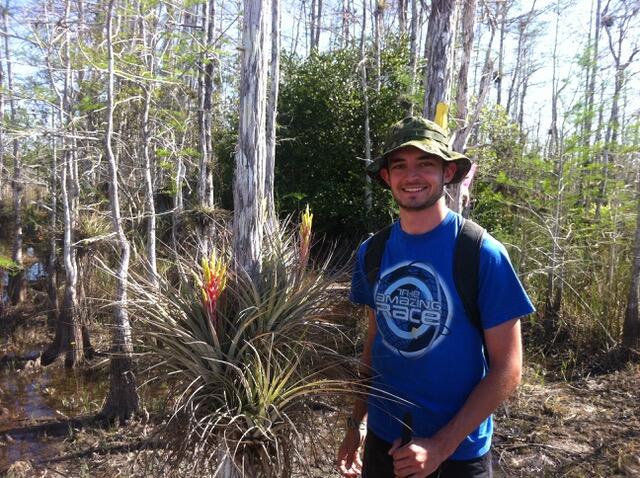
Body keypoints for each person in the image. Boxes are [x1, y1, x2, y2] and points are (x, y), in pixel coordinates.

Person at [336, 116, 535, 478]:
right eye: (400, 166)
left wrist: (440, 446)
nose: (412, 175)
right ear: (387, 177)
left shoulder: (481, 253)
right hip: (384, 442)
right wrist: (357, 421)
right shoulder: (373, 251)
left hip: (458, 453)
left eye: (425, 163)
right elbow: (375, 340)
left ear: (447, 173)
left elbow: (509, 368)